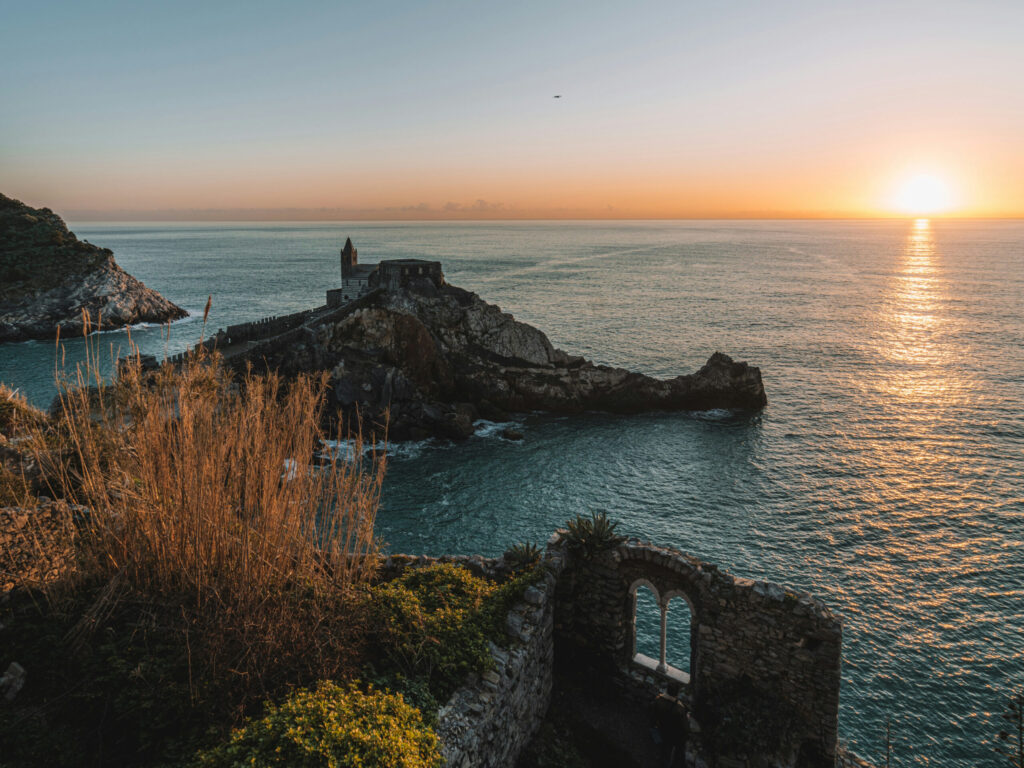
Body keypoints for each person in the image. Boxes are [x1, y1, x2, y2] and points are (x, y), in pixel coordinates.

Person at [650, 682, 689, 767]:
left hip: (660, 728)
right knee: (667, 751)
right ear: (677, 693)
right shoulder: (680, 709)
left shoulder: (658, 700)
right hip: (671, 734)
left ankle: (659, 755)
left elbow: (652, 716)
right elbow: (684, 728)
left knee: (661, 746)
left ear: (667, 690)